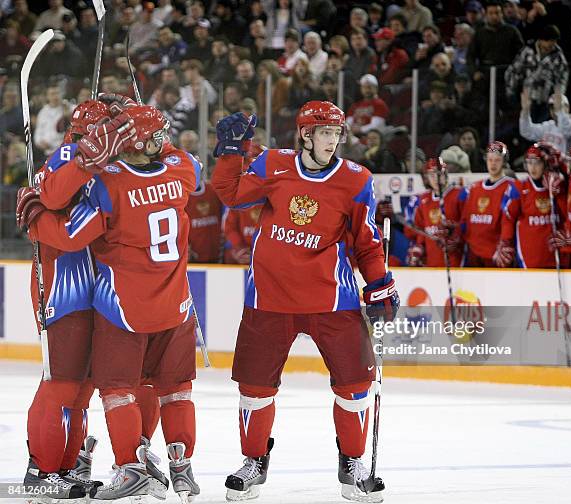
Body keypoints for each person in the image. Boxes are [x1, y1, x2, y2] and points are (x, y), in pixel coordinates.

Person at [211, 101, 399, 502]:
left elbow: (366, 241)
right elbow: (230, 194)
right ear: (306, 134)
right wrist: (229, 153)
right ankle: (254, 461)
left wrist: (380, 282)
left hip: (332, 298)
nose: (332, 141)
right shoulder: (273, 165)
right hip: (269, 296)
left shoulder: (355, 179)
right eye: (325, 133)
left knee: (355, 386)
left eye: (337, 134)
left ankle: (352, 461)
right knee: (255, 388)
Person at [22, 105, 202, 502]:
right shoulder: (69, 156)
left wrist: (131, 139)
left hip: (106, 292)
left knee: (100, 384)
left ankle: (85, 463)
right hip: (69, 285)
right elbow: (55, 200)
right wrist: (90, 158)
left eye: (119, 129)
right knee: (66, 382)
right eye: (107, 129)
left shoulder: (119, 173)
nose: (113, 136)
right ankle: (44, 469)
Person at [499, 143, 567, 268]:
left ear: (545, 164)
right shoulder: (518, 188)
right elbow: (508, 218)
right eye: (529, 163)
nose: (533, 167)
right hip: (528, 257)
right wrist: (506, 241)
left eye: (537, 162)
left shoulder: (558, 186)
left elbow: (567, 215)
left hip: (555, 256)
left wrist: (560, 193)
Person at [462, 141, 518, 266]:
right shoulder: (474, 188)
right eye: (490, 159)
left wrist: (506, 243)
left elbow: (512, 221)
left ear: (504, 161)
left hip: (497, 255)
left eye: (497, 160)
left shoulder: (512, 186)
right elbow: (466, 220)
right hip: (474, 254)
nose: (493, 163)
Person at [407, 159, 465, 267]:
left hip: (456, 260)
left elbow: (467, 225)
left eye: (439, 174)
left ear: (445, 174)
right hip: (432, 262)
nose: (436, 178)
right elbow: (420, 230)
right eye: (432, 175)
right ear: (427, 178)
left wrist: (457, 235)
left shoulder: (459, 195)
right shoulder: (423, 200)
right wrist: (418, 248)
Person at [519, 88, 571, 153]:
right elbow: (527, 131)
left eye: (558, 107)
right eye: (552, 108)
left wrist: (560, 112)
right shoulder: (548, 126)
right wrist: (525, 111)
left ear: (567, 108)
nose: (554, 110)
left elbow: (565, 130)